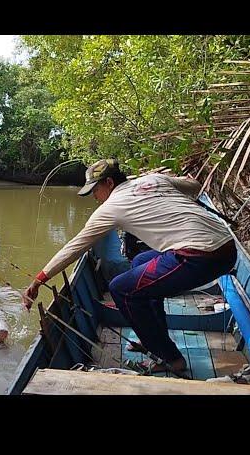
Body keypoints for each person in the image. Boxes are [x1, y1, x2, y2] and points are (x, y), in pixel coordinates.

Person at [23, 158, 237, 373]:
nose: (96, 198)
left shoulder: (111, 208)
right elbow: (195, 186)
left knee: (121, 289)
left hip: (199, 257)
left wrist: (39, 280)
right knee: (141, 262)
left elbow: (73, 248)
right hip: (227, 246)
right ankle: (154, 336)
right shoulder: (154, 179)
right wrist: (160, 183)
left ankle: (171, 358)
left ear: (108, 182)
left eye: (95, 190)